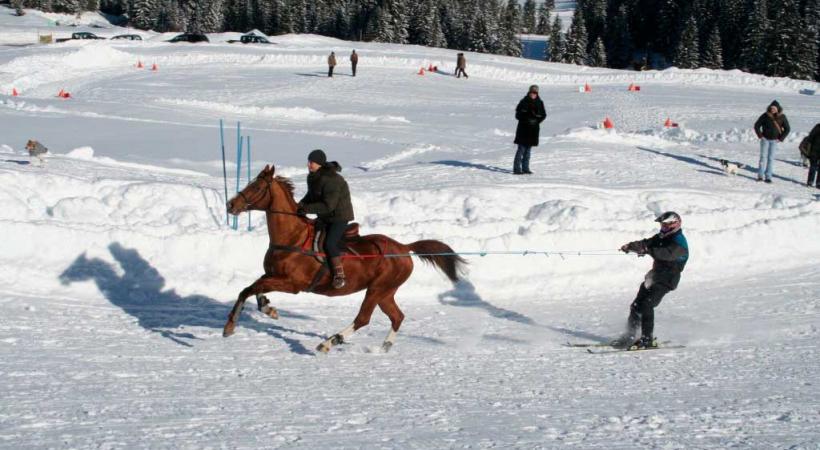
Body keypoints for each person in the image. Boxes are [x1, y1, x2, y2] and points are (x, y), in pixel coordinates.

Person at [614, 211, 689, 349]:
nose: (663, 228)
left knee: (647, 305)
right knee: (636, 305)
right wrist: (631, 246)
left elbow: (667, 254)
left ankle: (647, 339)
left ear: (675, 225)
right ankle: (630, 336)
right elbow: (646, 243)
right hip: (655, 275)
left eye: (666, 226)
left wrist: (648, 250)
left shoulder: (679, 241)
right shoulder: (661, 237)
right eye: (662, 225)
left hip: (668, 278)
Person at [297, 149, 355, 289]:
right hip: (325, 216)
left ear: (320, 163)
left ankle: (339, 275)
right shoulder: (313, 176)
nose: (309, 164)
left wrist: (306, 209)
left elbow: (328, 205)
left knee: (329, 243)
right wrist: (298, 205)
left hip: (338, 217)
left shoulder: (331, 179)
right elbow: (311, 196)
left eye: (312, 162)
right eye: (309, 161)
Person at [753, 100, 790, 183]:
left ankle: (768, 177)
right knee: (763, 157)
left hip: (774, 141)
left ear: (778, 109)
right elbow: (756, 125)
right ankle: (760, 175)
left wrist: (780, 138)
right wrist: (760, 136)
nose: (773, 109)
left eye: (774, 108)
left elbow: (787, 129)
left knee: (771, 158)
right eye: (771, 108)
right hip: (765, 139)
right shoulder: (765, 116)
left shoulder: (782, 117)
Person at [513, 85, 546, 175]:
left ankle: (525, 168)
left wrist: (536, 121)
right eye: (532, 92)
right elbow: (517, 115)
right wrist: (526, 119)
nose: (533, 94)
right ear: (529, 92)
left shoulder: (540, 102)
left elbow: (543, 115)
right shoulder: (523, 101)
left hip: (533, 130)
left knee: (528, 150)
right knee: (521, 149)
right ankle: (517, 169)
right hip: (523, 129)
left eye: (535, 93)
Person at [806, 123, 820, 188]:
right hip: (814, 150)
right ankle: (810, 181)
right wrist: (809, 150)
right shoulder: (817, 127)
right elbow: (810, 138)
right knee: (813, 166)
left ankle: (819, 183)